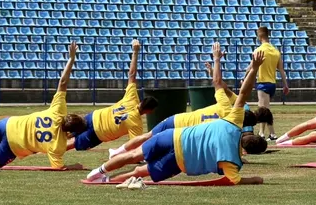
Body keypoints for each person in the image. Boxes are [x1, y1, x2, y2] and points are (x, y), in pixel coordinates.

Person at [85, 50, 268, 186]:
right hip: (180, 158)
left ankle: (99, 170)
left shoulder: (232, 117)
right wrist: (255, 179)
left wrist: (253, 68)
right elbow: (234, 179)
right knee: (141, 170)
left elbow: (241, 91)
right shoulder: (233, 162)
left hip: (176, 133)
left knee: (135, 153)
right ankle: (109, 178)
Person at [109, 43, 261, 157]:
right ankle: (120, 154)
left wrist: (216, 60)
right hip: (183, 131)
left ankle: (119, 153)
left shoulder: (225, 106)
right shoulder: (230, 128)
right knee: (152, 141)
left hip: (179, 122)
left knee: (149, 137)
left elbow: (218, 82)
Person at [0, 43, 87, 170]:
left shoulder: (58, 110)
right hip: (14, 146)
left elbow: (63, 82)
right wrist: (75, 166)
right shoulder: (58, 145)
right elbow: (59, 167)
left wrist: (71, 58)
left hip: (8, 124)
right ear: (72, 132)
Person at [67, 40, 158, 152]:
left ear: (141, 101)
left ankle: (46, 142)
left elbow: (132, 74)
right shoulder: (136, 124)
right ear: (149, 111)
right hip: (98, 133)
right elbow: (135, 145)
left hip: (94, 117)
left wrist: (135, 51)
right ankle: (50, 151)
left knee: (66, 132)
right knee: (70, 144)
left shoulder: (132, 98)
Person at [254, 26, 288, 142]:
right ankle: (261, 132)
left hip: (263, 83)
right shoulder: (275, 51)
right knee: (263, 108)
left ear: (260, 36)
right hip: (272, 84)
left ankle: (272, 133)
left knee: (264, 110)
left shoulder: (259, 50)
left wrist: (245, 76)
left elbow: (252, 66)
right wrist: (285, 84)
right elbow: (281, 70)